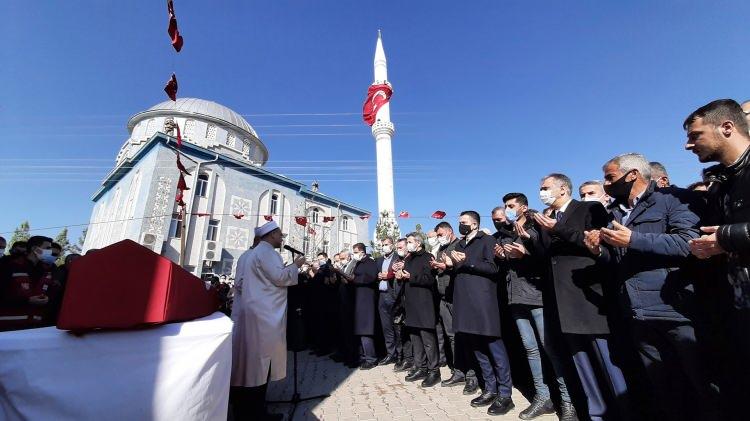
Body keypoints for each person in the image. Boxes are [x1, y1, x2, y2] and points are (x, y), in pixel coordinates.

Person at [585, 153, 717, 420]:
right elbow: (619, 259)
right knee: (664, 388)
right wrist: (599, 252)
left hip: (677, 310)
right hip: (638, 313)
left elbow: (688, 243)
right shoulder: (615, 213)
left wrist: (633, 238)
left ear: (632, 174)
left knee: (704, 384)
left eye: (610, 177)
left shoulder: (674, 200)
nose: (606, 184)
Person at [533, 173, 629, 421]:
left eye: (545, 188)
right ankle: (595, 414)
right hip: (562, 302)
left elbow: (595, 244)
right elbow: (546, 256)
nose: (541, 192)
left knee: (608, 363)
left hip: (588, 298)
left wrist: (558, 229)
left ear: (563, 189)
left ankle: (623, 411)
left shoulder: (589, 208)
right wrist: (529, 240)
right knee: (581, 364)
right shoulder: (548, 218)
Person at [683, 99, 750, 420]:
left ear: (727, 128)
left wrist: (726, 238)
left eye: (695, 135)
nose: (688, 145)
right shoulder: (720, 183)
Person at [500, 193, 576, 420]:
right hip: (515, 295)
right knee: (530, 349)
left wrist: (526, 250)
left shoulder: (537, 223)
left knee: (550, 348)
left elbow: (546, 256)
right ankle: (543, 398)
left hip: (536, 294)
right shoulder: (509, 230)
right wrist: (504, 254)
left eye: (511, 205)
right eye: (506, 206)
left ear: (523, 206)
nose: (508, 209)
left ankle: (568, 401)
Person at [230, 221, 306, 421]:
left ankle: (250, 410)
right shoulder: (267, 252)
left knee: (252, 364)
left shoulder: (255, 253)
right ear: (271, 235)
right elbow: (280, 277)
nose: (282, 239)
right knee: (258, 364)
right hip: (263, 316)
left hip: (255, 312)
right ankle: (256, 414)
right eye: (280, 235)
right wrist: (295, 266)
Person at [445, 211, 515, 416]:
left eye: (464, 223)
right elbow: (459, 270)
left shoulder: (487, 240)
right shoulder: (459, 245)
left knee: (494, 347)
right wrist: (452, 265)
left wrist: (466, 262)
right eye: (459, 223)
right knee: (477, 347)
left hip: (483, 302)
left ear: (475, 224)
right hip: (464, 302)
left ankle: (505, 394)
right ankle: (489, 388)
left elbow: (493, 268)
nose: (461, 225)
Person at [432, 222, 479, 393]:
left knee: (464, 336)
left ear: (449, 231)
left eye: (440, 233)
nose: (439, 237)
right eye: (437, 235)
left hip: (457, 298)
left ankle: (472, 376)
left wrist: (448, 266)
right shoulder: (440, 249)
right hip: (443, 297)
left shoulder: (458, 245)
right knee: (451, 337)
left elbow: (463, 268)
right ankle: (458, 371)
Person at [397, 232, 441, 387]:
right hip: (411, 304)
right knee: (415, 338)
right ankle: (420, 367)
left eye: (409, 242)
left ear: (418, 243)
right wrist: (401, 276)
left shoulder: (427, 257)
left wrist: (411, 277)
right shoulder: (409, 258)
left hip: (424, 304)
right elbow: (406, 277)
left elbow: (429, 279)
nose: (408, 244)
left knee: (428, 339)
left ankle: (434, 371)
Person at [0, 236, 56, 331]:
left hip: (33, 326)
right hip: (7, 326)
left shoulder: (47, 271)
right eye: (47, 248)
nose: (50, 251)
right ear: (35, 249)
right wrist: (26, 300)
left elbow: (50, 293)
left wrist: (47, 299)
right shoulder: (9, 265)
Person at [337, 243, 379, 369]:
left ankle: (371, 358)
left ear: (362, 251)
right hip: (355, 299)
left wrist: (354, 279)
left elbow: (370, 277)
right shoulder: (357, 263)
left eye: (355, 252)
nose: (354, 254)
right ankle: (362, 356)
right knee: (358, 330)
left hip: (366, 299)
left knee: (365, 330)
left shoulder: (370, 263)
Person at [376, 237, 400, 365]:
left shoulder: (397, 258)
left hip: (393, 295)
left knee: (397, 326)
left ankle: (400, 355)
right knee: (386, 327)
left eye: (386, 244)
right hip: (382, 295)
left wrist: (388, 275)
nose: (384, 246)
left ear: (392, 245)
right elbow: (375, 274)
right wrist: (378, 276)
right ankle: (391, 354)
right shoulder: (379, 260)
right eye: (382, 244)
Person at [392, 238, 414, 373]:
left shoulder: (411, 260)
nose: (398, 250)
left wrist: (404, 268)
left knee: (411, 332)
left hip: (410, 301)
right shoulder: (397, 261)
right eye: (397, 248)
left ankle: (412, 359)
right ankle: (405, 358)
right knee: (401, 332)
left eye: (401, 247)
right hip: (399, 301)